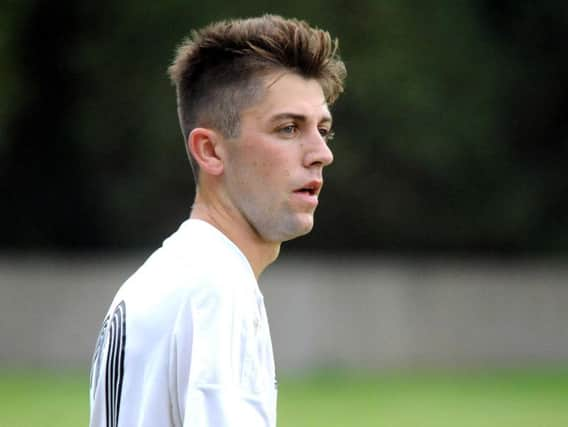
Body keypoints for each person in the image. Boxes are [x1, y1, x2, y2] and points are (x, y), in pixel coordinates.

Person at [89, 14, 346, 427]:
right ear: (210, 151)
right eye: (288, 128)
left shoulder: (160, 278)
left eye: (323, 130)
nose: (321, 152)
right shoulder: (217, 292)